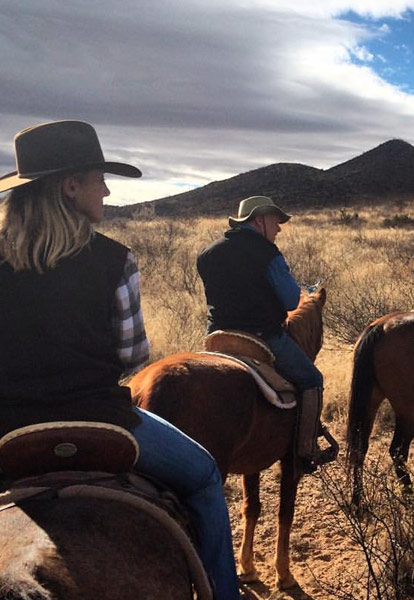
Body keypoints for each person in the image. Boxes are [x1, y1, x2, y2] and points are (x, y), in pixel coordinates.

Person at [0, 120, 241, 600]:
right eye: (98, 178)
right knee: (204, 478)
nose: (107, 191)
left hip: (7, 426)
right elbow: (133, 355)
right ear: (71, 186)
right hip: (101, 420)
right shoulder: (114, 259)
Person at [196, 196, 331, 474]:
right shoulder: (269, 254)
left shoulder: (208, 253)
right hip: (262, 336)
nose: (279, 228)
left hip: (217, 336)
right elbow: (293, 301)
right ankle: (306, 449)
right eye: (275, 222)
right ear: (259, 220)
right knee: (312, 379)